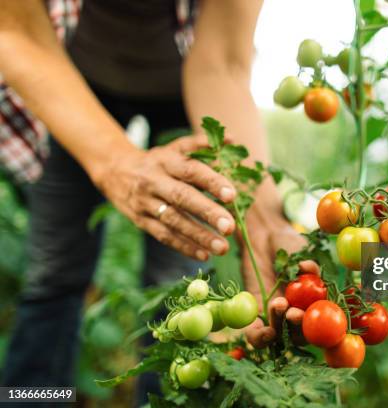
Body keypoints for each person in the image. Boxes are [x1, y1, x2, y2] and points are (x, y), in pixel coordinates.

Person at [0, 0, 308, 391]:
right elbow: (16, 30)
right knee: (54, 277)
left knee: (176, 286)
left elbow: (223, 63)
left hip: (185, 94)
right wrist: (113, 161)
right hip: (67, 83)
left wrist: (264, 219)